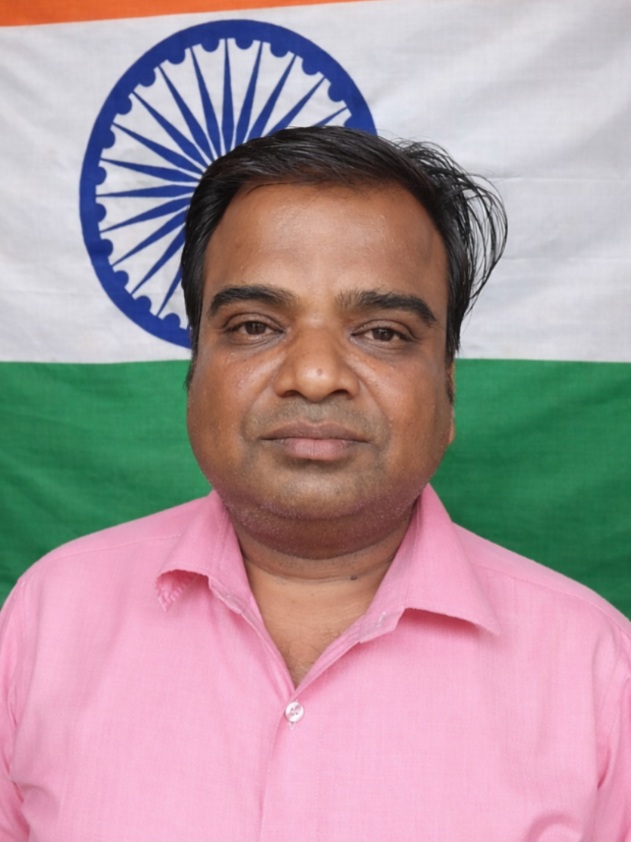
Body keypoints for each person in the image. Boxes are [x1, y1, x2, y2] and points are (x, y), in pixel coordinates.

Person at [0, 126, 629, 841]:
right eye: (255, 326)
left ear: (449, 391)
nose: (316, 375)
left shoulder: (596, 670)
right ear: (193, 372)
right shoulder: (47, 620)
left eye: (382, 332)